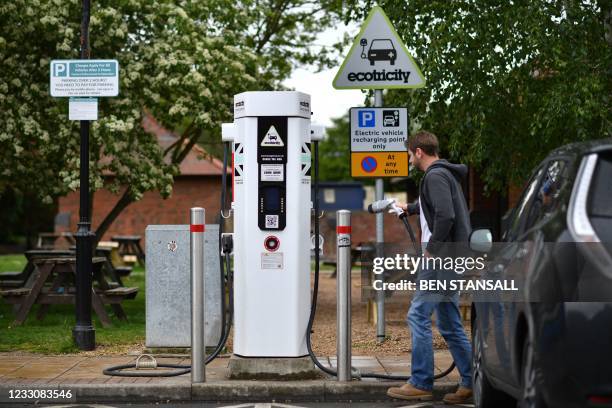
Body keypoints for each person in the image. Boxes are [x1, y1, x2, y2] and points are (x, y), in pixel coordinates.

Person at [386, 131, 473, 404]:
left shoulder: (434, 176)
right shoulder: (445, 174)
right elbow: (435, 207)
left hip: (439, 258)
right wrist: (410, 208)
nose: (409, 158)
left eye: (410, 154)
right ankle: (472, 382)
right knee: (449, 323)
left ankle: (421, 382)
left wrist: (432, 251)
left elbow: (445, 215)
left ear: (419, 152)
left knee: (417, 315)